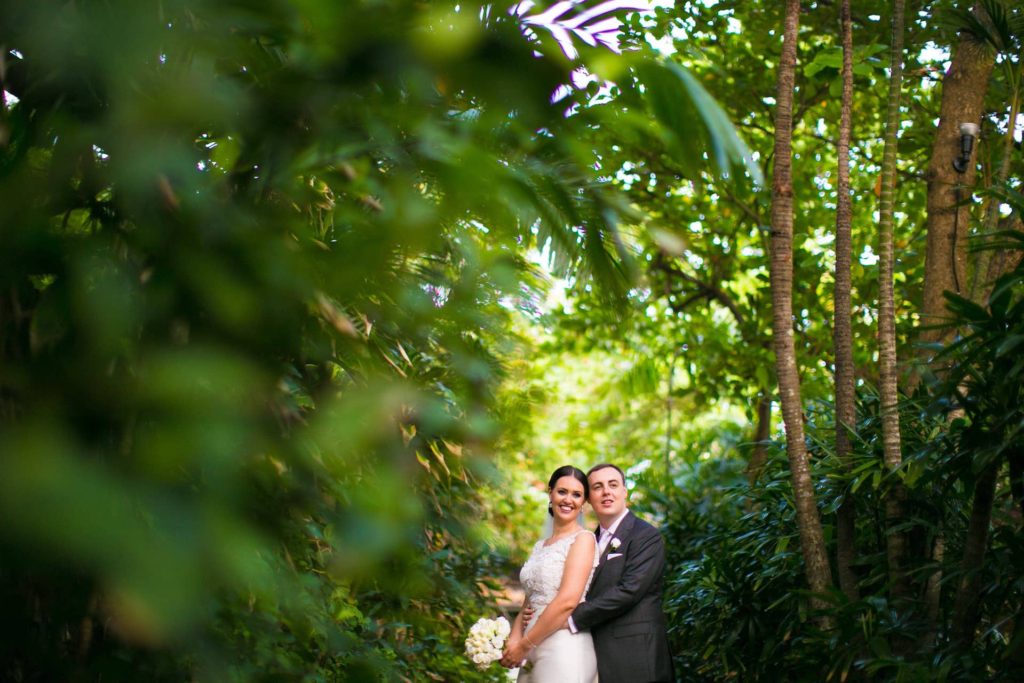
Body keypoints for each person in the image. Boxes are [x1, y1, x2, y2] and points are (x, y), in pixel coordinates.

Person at [567, 463, 675, 683]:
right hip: (590, 652)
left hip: (635, 656)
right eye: (597, 487)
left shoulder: (646, 536)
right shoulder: (586, 541)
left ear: (624, 492)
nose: (606, 491)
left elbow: (630, 590)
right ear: (589, 498)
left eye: (613, 485)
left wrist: (571, 617)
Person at [500, 465, 599, 683]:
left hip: (564, 646)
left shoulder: (583, 540)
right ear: (550, 492)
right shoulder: (540, 546)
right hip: (530, 645)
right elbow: (530, 599)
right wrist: (514, 639)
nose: (568, 499)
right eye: (562, 491)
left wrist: (525, 645)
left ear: (583, 502)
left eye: (577, 495)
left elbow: (567, 601)